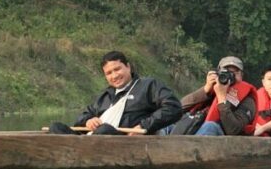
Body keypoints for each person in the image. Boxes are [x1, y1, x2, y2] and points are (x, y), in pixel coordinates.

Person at [49, 50, 182, 135]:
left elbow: (173, 108)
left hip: (126, 142)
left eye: (117, 69)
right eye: (109, 73)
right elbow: (82, 117)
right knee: (56, 127)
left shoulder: (148, 85)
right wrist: (88, 121)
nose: (114, 76)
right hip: (94, 140)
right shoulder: (105, 96)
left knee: (104, 130)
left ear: (128, 67)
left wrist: (143, 126)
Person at [179, 56, 257, 136]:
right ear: (218, 73)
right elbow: (178, 107)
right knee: (168, 126)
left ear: (241, 76)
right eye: (226, 72)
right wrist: (205, 90)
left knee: (210, 126)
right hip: (195, 130)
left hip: (223, 142)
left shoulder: (247, 100)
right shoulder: (212, 90)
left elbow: (233, 130)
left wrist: (222, 99)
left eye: (235, 72)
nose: (230, 76)